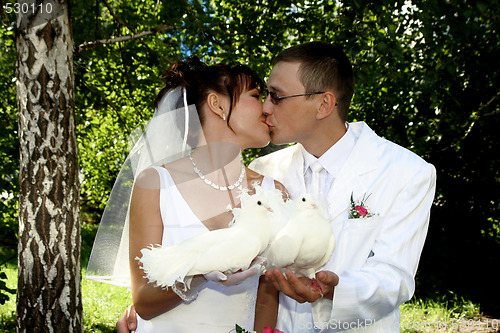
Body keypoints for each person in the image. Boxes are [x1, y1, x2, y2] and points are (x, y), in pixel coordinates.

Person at [117, 42, 436, 332]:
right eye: (260, 96)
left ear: (324, 104)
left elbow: (395, 277)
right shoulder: (266, 171)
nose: (267, 107)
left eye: (276, 96)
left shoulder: (406, 172)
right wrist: (155, 301)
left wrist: (336, 288)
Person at [90, 57, 285, 332]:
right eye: (255, 95)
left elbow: (268, 294)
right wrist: (201, 274)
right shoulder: (155, 185)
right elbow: (144, 300)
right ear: (217, 105)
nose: (267, 107)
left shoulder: (274, 192)